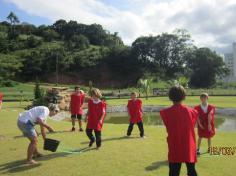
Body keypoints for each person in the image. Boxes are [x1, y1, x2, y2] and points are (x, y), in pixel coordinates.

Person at [160, 86, 198, 176]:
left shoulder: (165, 113)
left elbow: (168, 125)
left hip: (174, 145)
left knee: (174, 172)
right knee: (191, 170)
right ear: (184, 96)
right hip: (189, 145)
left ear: (170, 97)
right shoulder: (192, 111)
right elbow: (191, 125)